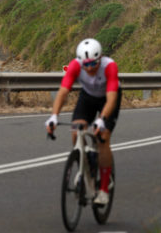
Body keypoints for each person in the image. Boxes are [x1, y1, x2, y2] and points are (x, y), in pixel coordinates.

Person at [45, 38, 122, 206]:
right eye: (85, 64)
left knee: (103, 137)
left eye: (93, 64)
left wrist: (101, 120)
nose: (89, 68)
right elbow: (63, 92)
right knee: (76, 131)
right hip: (87, 97)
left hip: (108, 100)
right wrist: (54, 116)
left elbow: (111, 99)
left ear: (100, 58)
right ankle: (84, 168)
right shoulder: (74, 66)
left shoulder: (109, 66)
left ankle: (103, 189)